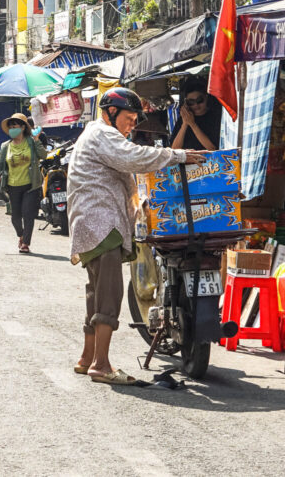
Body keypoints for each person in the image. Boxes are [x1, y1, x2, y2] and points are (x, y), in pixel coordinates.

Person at [67, 87, 205, 385]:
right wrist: (178, 155)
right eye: (129, 119)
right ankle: (101, 365)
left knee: (96, 292)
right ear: (111, 113)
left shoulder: (96, 135)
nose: (132, 125)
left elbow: (125, 171)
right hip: (102, 224)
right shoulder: (104, 135)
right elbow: (134, 158)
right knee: (110, 294)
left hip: (92, 224)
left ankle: (86, 357)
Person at [0, 113, 47, 253]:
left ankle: (26, 243)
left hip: (30, 185)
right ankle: (21, 235)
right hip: (13, 186)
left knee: (28, 214)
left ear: (22, 127)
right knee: (15, 217)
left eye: (15, 126)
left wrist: (37, 139)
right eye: (11, 126)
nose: (13, 128)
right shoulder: (5, 146)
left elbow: (43, 155)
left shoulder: (32, 142)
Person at [170, 77, 221, 150]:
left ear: (206, 97)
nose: (196, 105)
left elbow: (212, 148)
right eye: (191, 102)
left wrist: (193, 125)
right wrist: (184, 125)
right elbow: (174, 149)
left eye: (199, 100)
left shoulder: (215, 117)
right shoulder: (184, 119)